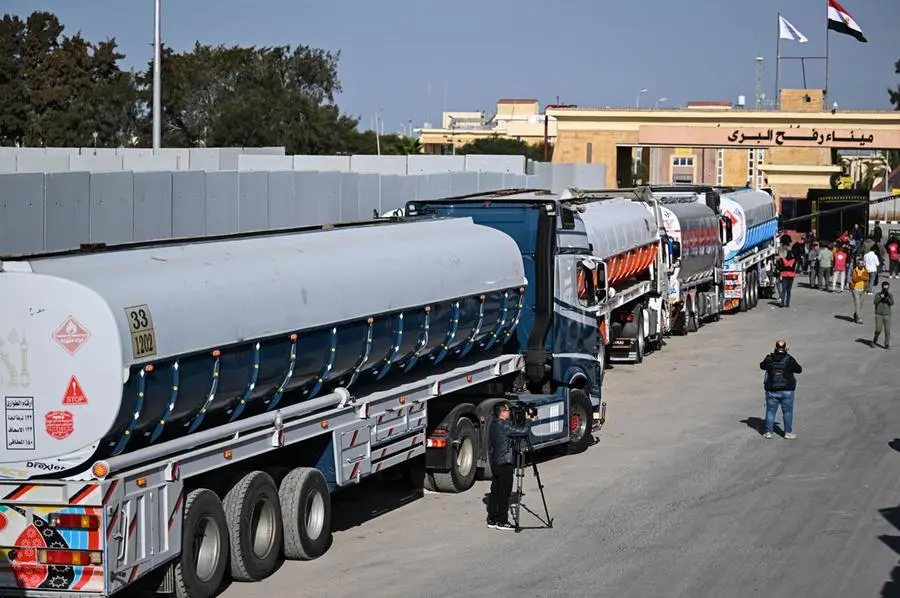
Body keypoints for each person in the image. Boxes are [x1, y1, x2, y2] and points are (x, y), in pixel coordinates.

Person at [486, 400, 538, 530]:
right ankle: (502, 521)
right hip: (505, 463)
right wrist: (529, 420)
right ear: (502, 412)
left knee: (495, 491)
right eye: (508, 410)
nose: (510, 412)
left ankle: (492, 519)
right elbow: (524, 431)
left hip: (496, 462)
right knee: (504, 493)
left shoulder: (494, 424)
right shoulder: (503, 425)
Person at [759, 340, 803, 440]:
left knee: (770, 411)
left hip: (772, 390)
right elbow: (799, 369)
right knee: (787, 411)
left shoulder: (769, 359)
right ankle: (787, 432)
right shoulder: (789, 359)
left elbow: (761, 366)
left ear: (775, 347)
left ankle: (768, 432)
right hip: (787, 390)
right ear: (785, 348)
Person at [874, 280, 893, 350]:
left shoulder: (890, 295)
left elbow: (892, 303)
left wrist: (887, 298)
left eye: (887, 288)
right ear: (882, 287)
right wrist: (880, 297)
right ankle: (875, 340)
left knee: (887, 331)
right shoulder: (877, 294)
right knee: (878, 329)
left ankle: (887, 344)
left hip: (887, 314)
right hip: (879, 314)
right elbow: (875, 302)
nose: (885, 289)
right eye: (884, 288)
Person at [850, 258, 870, 324]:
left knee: (860, 305)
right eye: (859, 263)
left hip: (863, 290)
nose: (861, 265)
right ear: (857, 264)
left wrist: (860, 277)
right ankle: (859, 319)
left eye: (862, 263)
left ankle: (856, 314)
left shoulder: (866, 270)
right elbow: (855, 279)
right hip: (855, 289)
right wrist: (862, 277)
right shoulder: (854, 270)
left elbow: (867, 278)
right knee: (857, 304)